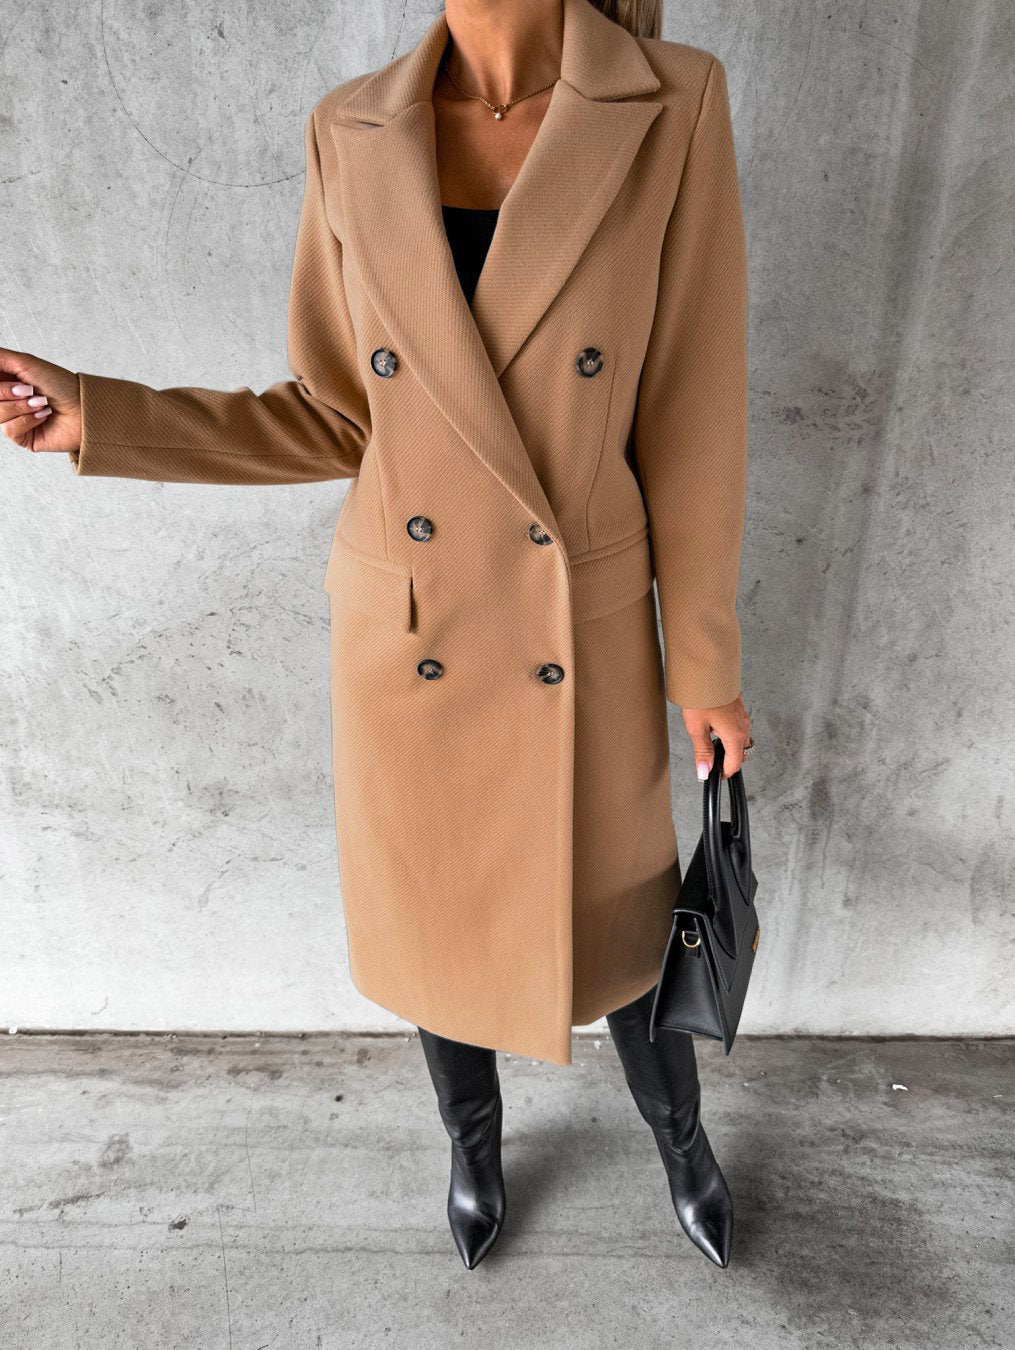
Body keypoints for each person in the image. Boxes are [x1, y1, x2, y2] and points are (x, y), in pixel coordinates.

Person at [2, 0, 753, 1270]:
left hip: (577, 625)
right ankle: (472, 1148)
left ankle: (682, 1143)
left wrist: (707, 664)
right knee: (436, 914)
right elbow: (340, 413)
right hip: (410, 629)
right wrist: (106, 419)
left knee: (625, 926)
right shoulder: (351, 126)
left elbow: (690, 408)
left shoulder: (670, 99)